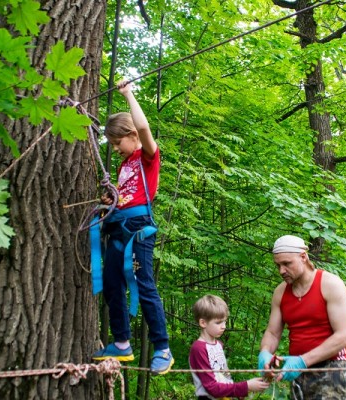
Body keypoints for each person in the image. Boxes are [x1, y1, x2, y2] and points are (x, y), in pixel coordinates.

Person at [92, 81, 173, 375]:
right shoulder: (125, 164)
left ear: (131, 136)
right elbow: (126, 195)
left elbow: (145, 129)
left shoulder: (147, 157)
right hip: (117, 228)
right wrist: (110, 201)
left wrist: (128, 94)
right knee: (113, 284)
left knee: (143, 284)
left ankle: (162, 347)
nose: (115, 149)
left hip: (139, 228)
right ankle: (122, 342)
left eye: (117, 143)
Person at [258, 235, 346, 399]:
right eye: (278, 265)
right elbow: (273, 333)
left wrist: (302, 361)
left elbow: (343, 337)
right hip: (297, 370)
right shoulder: (280, 292)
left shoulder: (331, 284)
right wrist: (265, 353)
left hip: (331, 367)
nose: (281, 270)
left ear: (303, 257)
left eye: (287, 264)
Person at [189, 295, 269, 400]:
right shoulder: (199, 349)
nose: (224, 326)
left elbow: (224, 374)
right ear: (203, 323)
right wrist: (246, 386)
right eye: (218, 322)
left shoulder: (218, 344)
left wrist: (236, 392)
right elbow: (211, 388)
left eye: (225, 321)